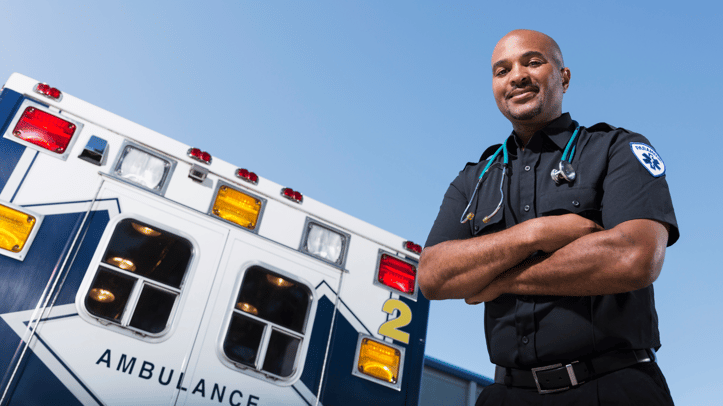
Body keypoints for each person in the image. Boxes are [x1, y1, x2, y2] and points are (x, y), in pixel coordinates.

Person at [418, 29, 679, 405]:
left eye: (533, 62)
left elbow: (634, 257)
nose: (517, 76)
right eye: (502, 70)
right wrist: (536, 233)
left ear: (564, 77)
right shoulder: (474, 179)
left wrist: (497, 279)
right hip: (508, 394)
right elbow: (433, 276)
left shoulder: (616, 149)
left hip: (614, 387)